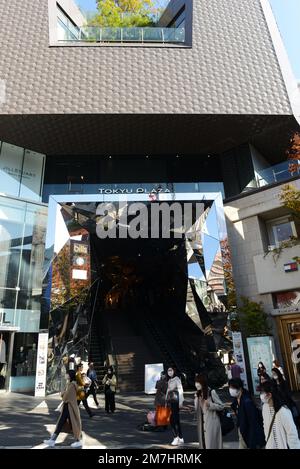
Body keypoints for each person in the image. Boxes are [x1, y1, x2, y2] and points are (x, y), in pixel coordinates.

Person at [43, 370, 83, 448]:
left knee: (72, 424)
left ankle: (78, 441)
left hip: (70, 407)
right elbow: (65, 395)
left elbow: (66, 397)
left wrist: (63, 393)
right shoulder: (70, 384)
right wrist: (64, 393)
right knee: (62, 423)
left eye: (67, 374)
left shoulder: (72, 385)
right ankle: (52, 440)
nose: (65, 375)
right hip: (67, 407)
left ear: (70, 375)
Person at [260, 381, 300, 449]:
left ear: (269, 395)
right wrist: (268, 441)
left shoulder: (283, 411)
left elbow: (292, 434)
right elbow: (265, 425)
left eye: (262, 392)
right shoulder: (265, 407)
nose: (261, 395)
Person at [229, 378, 265, 449]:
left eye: (232, 387)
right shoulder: (236, 400)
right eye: (230, 387)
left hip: (249, 434)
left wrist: (252, 442)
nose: (230, 390)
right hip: (242, 431)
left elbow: (253, 423)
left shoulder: (247, 402)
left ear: (240, 388)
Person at [194, 374, 224, 449]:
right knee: (204, 444)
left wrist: (210, 405)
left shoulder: (211, 392)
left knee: (211, 445)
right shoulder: (197, 394)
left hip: (212, 424)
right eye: (196, 382)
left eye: (199, 382)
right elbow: (198, 409)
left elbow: (221, 406)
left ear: (203, 383)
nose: (197, 384)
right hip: (202, 424)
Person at [165, 366, 184, 446]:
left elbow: (180, 390)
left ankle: (176, 437)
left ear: (174, 371)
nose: (169, 372)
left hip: (176, 401)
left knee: (173, 420)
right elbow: (168, 391)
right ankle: (180, 437)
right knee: (175, 420)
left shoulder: (177, 379)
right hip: (171, 402)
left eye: (171, 370)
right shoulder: (169, 380)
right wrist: (166, 401)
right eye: (168, 370)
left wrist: (181, 401)